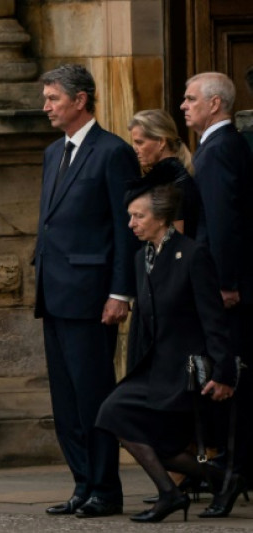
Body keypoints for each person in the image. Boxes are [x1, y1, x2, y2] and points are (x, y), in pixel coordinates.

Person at [96, 175, 241, 522]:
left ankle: (177, 491)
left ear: (161, 218)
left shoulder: (192, 254)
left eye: (138, 216)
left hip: (187, 369)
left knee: (141, 430)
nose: (131, 223)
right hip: (155, 366)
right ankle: (210, 481)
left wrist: (223, 374)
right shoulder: (140, 257)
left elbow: (213, 321)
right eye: (130, 216)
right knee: (115, 415)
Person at [34, 64, 139, 518]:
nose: (47, 107)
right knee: (66, 400)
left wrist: (120, 292)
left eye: (53, 98)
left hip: (92, 295)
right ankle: (81, 483)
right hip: (54, 292)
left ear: (80, 100)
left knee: (93, 393)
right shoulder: (53, 152)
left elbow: (124, 229)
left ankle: (105, 489)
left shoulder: (113, 152)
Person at [181, 72, 253, 484]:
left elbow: (223, 223)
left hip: (225, 285)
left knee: (228, 375)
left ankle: (231, 469)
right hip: (225, 279)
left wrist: (225, 282)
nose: (184, 106)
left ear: (215, 104)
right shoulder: (221, 145)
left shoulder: (219, 149)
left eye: (191, 99)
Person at [128, 109, 203, 239]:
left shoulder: (174, 182)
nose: (135, 149)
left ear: (161, 142)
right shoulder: (164, 177)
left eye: (140, 142)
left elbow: (175, 241)